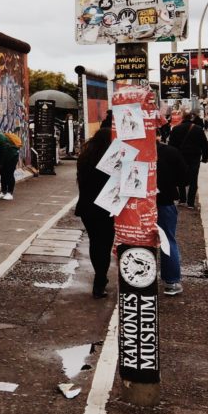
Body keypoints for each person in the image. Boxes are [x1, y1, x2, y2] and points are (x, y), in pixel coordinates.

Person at [75, 128, 114, 298]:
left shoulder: (85, 157)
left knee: (95, 242)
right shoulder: (110, 159)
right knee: (105, 245)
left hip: (86, 208)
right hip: (105, 208)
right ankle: (99, 281)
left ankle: (100, 278)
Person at [156, 134, 185, 296]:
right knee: (167, 240)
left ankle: (139, 281)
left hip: (137, 205)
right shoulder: (171, 152)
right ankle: (171, 282)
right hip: (164, 202)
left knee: (138, 241)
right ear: (158, 135)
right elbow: (184, 179)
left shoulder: (132, 150)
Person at [169, 113, 208, 208]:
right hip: (194, 157)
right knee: (193, 180)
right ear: (191, 118)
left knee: (180, 178)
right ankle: (190, 203)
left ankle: (182, 199)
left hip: (180, 157)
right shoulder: (198, 129)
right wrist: (205, 157)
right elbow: (204, 145)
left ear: (182, 118)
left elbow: (171, 145)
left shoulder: (176, 129)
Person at [0, 128, 22, 200]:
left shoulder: (0, 139)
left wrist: (0, 163)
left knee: (9, 174)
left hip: (11, 158)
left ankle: (10, 193)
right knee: (3, 175)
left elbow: (3, 151)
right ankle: (3, 191)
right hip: (7, 158)